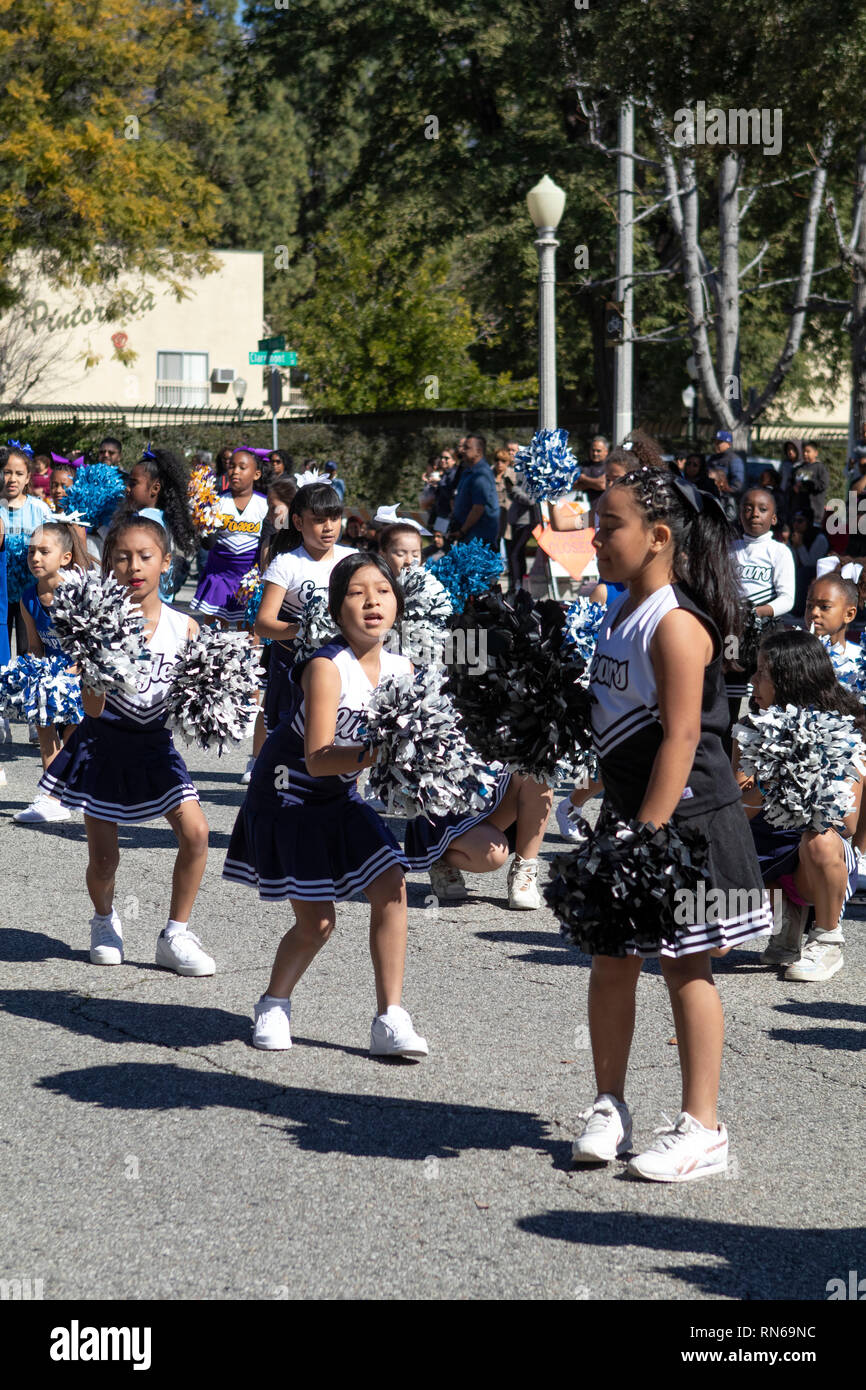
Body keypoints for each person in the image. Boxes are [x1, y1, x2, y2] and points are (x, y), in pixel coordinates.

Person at [565, 466, 772, 1181]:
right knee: (611, 961)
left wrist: (645, 840)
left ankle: (703, 1127)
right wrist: (592, 789)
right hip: (633, 819)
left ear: (658, 538)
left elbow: (683, 738)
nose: (596, 535)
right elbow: (616, 719)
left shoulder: (676, 624)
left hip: (685, 825)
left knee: (688, 967)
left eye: (609, 524)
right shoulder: (619, 612)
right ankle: (608, 1104)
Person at [224, 552, 427, 1058]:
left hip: (339, 796)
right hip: (288, 796)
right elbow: (316, 759)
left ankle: (389, 1018)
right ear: (337, 612)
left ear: (398, 604)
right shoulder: (325, 666)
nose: (372, 601)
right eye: (357, 593)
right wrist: (387, 751)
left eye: (382, 590)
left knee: (392, 888)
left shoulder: (404, 667)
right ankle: (273, 1002)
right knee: (317, 921)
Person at [39, 516, 214, 976]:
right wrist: (96, 658)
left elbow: (198, 701)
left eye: (145, 556)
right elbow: (92, 710)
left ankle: (175, 933)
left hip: (155, 748)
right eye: (122, 557)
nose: (134, 566)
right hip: (105, 747)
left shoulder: (186, 628)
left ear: (166, 563)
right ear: (109, 566)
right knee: (104, 858)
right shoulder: (97, 625)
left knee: (196, 833)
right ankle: (103, 919)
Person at [742, 631, 861, 980]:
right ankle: (786, 923)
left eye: (763, 672)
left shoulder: (842, 729)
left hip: (817, 866)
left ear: (791, 679)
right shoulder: (749, 728)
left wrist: (803, 784)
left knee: (819, 838)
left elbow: (848, 825)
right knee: (713, 942)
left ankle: (827, 939)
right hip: (768, 858)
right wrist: (768, 786)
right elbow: (735, 809)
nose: (753, 679)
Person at [254, 482, 353, 751]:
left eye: (334, 518)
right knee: (291, 735)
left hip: (340, 663)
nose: (329, 527)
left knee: (341, 732)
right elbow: (264, 624)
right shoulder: (286, 563)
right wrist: (306, 631)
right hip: (293, 664)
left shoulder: (353, 559)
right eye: (319, 520)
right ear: (298, 522)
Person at [15, 522, 92, 824]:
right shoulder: (27, 598)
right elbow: (35, 645)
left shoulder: (79, 593)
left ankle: (72, 792)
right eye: (31, 551)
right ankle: (52, 798)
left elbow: (92, 643)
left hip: (81, 677)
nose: (35, 558)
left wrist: (76, 671)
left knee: (73, 739)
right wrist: (33, 673)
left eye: (44, 551)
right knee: (45, 728)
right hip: (51, 677)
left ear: (66, 557)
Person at [725, 487, 796, 728]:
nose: (755, 514)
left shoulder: (779, 551)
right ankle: (727, 752)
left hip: (765, 633)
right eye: (748, 508)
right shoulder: (729, 549)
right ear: (740, 515)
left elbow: (787, 598)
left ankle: (760, 745)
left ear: (773, 518)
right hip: (732, 634)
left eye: (762, 509)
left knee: (763, 693)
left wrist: (755, 612)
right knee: (729, 693)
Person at [190, 449, 269, 625]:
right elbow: (207, 544)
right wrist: (202, 513)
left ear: (256, 474)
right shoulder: (216, 501)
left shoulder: (265, 504)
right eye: (232, 466)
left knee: (249, 634)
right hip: (220, 575)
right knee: (213, 632)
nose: (235, 471)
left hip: (249, 579)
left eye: (242, 467)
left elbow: (270, 543)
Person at [124, 448, 197, 601]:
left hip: (144, 600)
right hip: (162, 598)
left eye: (134, 483)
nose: (127, 488)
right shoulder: (163, 517)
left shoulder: (142, 521)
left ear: (155, 488)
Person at [1, 442, 53, 656]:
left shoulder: (39, 509)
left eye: (19, 473)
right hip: (2, 593)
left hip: (29, 593)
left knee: (28, 649)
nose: (12, 479)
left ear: (28, 477)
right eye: (6, 472)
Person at [449, 434, 499, 548]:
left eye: (467, 447)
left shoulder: (481, 474)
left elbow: (478, 508)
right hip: (468, 536)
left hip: (478, 539)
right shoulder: (468, 471)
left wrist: (462, 531)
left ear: (479, 451)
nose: (462, 450)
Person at [791, 509, 829, 615]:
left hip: (819, 573)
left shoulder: (819, 538)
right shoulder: (795, 535)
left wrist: (799, 546)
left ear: (808, 522)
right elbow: (793, 563)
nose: (796, 524)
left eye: (800, 521)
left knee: (803, 572)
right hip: (802, 571)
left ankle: (799, 608)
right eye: (794, 521)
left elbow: (810, 563)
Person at [791, 441, 830, 528]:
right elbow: (791, 483)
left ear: (816, 453)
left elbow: (823, 485)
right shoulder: (798, 468)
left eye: (808, 451)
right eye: (804, 451)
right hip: (799, 509)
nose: (805, 454)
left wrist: (807, 484)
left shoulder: (820, 468)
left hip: (814, 511)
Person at [705, 430, 745, 497]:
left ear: (729, 444)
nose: (716, 445)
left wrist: (726, 495)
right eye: (715, 442)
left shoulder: (734, 459)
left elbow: (737, 486)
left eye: (719, 442)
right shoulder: (712, 458)